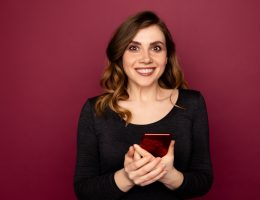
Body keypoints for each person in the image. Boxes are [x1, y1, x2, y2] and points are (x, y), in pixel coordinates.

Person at [74, 11, 213, 200]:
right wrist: (127, 177)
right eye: (134, 48)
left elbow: (203, 180)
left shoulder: (192, 103)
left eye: (156, 48)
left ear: (167, 56)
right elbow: (84, 190)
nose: (146, 58)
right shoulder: (95, 110)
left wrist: (170, 176)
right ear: (120, 55)